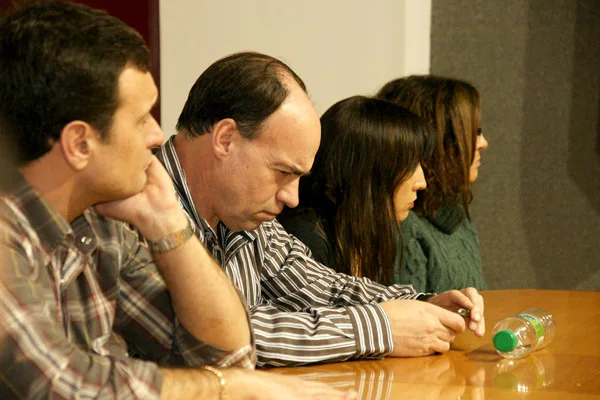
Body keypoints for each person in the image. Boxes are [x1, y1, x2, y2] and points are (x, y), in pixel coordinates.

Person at [0, 2, 355, 399]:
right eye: (140, 119)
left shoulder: (104, 223)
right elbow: (61, 386)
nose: (156, 134)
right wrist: (229, 390)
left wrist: (170, 223)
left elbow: (226, 352)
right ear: (80, 143)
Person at [155, 51, 486, 368]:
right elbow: (209, 338)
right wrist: (380, 327)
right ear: (225, 139)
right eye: (283, 172)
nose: (293, 198)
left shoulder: (241, 211)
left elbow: (322, 288)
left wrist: (421, 305)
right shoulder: (137, 209)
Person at [278, 95, 434, 286]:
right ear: (368, 171)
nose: (422, 183)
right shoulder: (305, 241)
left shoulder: (370, 230)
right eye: (409, 165)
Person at [377, 75, 489, 293]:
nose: (483, 143)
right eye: (473, 133)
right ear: (439, 142)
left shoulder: (453, 209)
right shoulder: (404, 228)